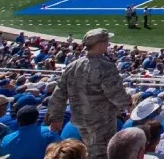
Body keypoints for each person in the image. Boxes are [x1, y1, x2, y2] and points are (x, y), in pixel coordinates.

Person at [47, 29, 132, 159]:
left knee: (88, 152)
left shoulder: (73, 66)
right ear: (100, 43)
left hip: (80, 120)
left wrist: (56, 118)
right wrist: (129, 105)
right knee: (101, 154)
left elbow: (59, 95)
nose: (108, 44)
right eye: (106, 41)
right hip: (102, 121)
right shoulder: (105, 66)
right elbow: (116, 95)